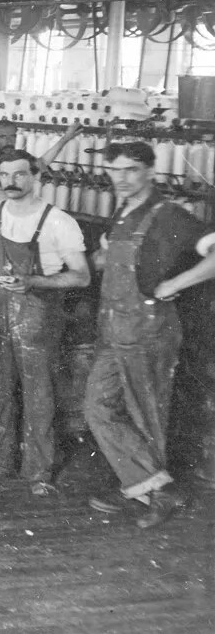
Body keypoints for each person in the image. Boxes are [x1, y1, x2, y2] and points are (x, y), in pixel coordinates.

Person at [80, 141, 215, 528]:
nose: (121, 179)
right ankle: (146, 484)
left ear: (151, 171)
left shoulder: (169, 216)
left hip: (149, 330)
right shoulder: (124, 212)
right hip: (114, 329)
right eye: (114, 171)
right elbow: (111, 258)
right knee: (98, 406)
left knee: (146, 416)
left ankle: (151, 493)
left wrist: (177, 283)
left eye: (131, 170)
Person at [0, 150, 90, 493]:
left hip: (36, 314)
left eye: (19, 175)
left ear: (35, 177)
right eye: (4, 175)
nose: (11, 182)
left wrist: (34, 282)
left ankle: (39, 472)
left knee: (38, 393)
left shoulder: (58, 222)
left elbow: (81, 276)